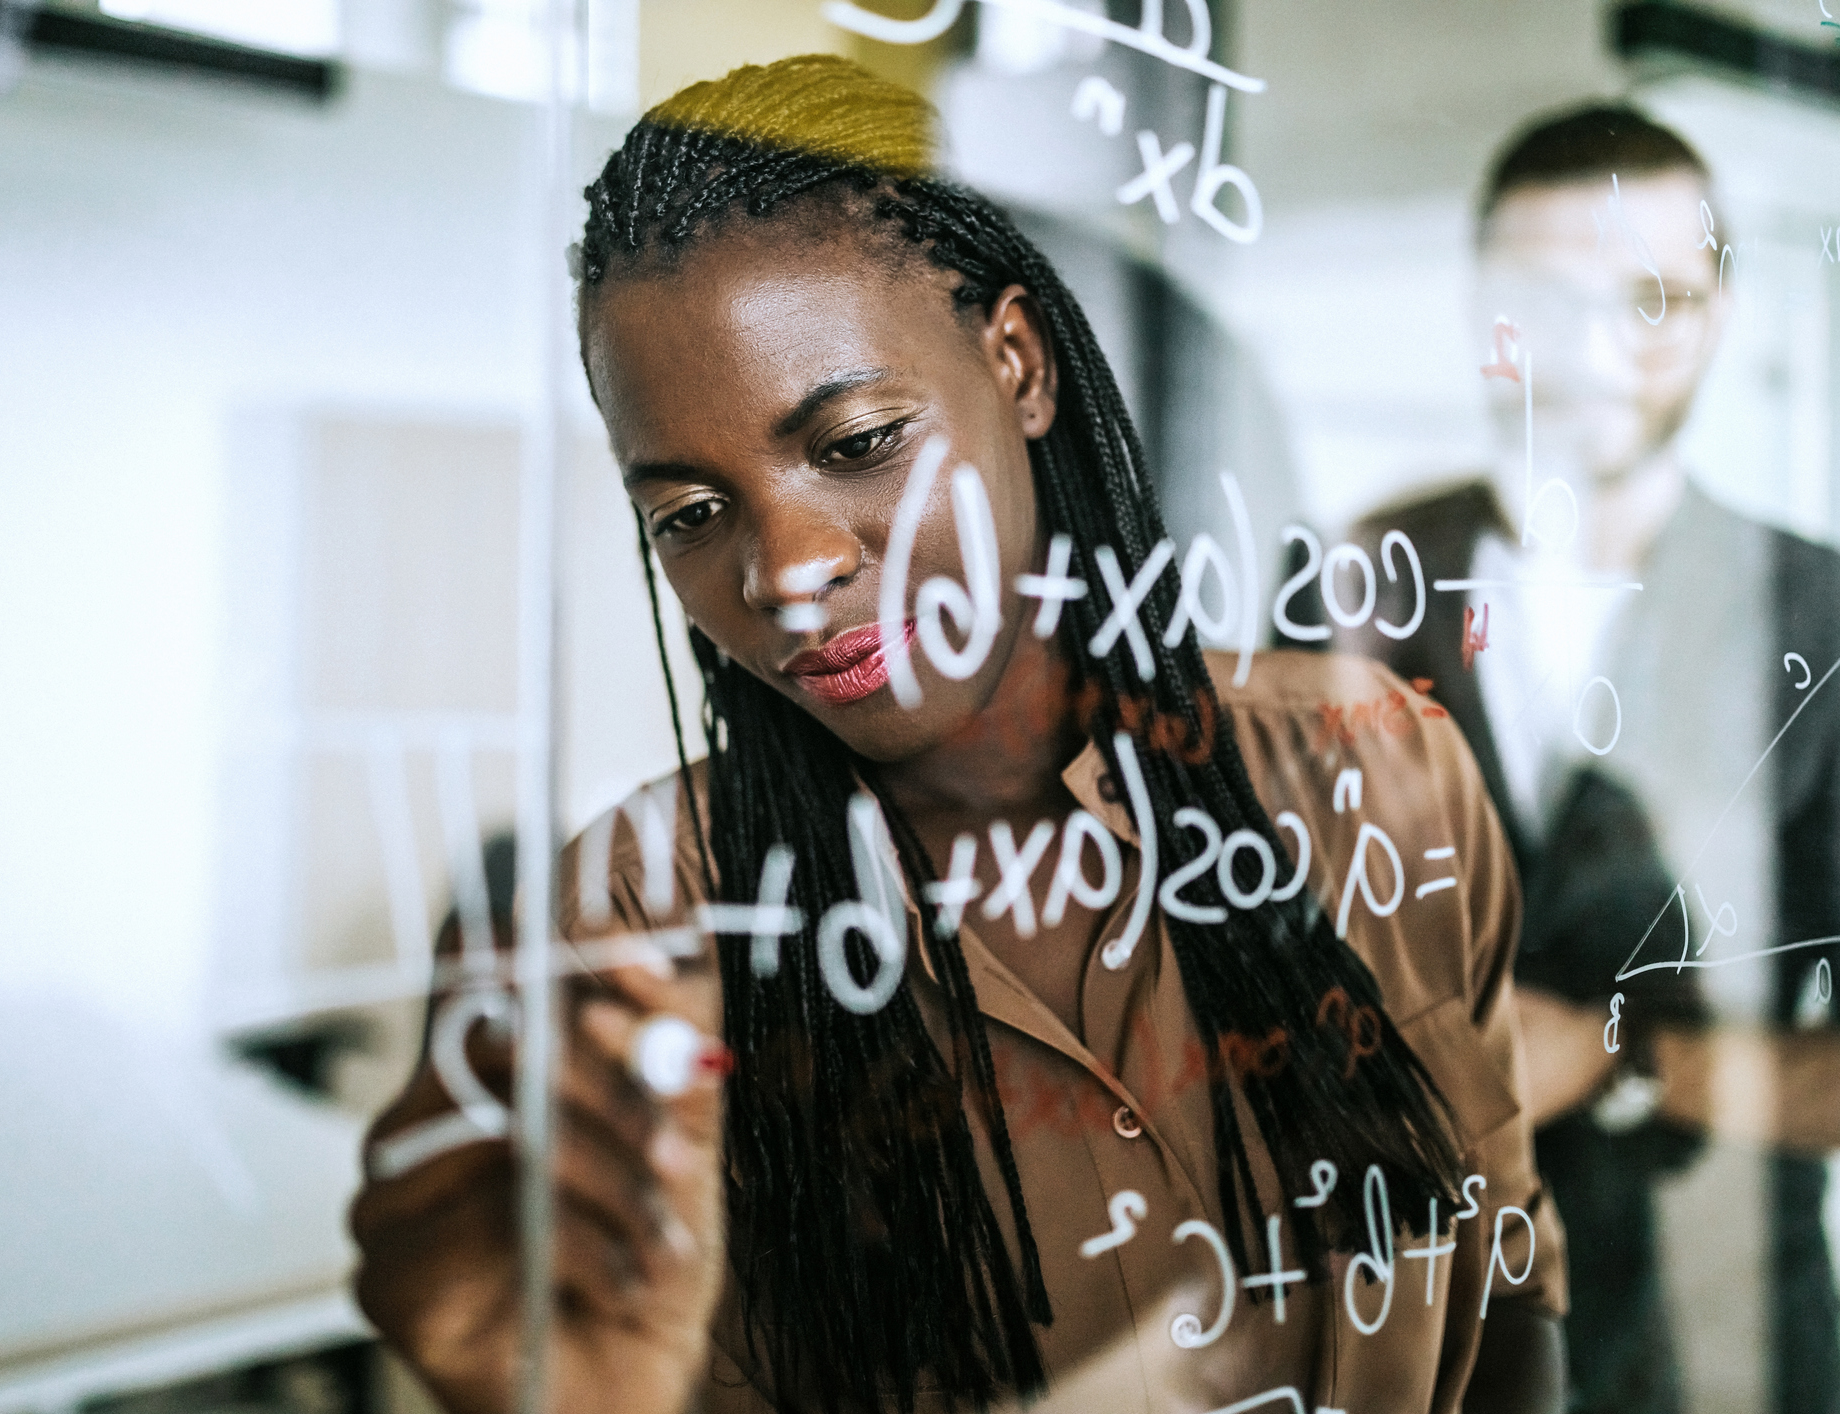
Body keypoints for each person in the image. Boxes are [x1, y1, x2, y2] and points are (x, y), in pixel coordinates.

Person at [349, 56, 1566, 1414]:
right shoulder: (644, 921)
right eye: (689, 514)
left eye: (861, 438)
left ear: (1018, 363)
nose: (784, 568)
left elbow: (1508, 1277)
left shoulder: (1372, 773)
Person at [1336, 105, 1840, 1414]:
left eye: (1648, 299)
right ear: (1479, 310)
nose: (1590, 351)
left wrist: (1618, 1056)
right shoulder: (1351, 576)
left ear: (1715, 312)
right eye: (1544, 296)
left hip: (1711, 1348)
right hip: (1396, 1342)